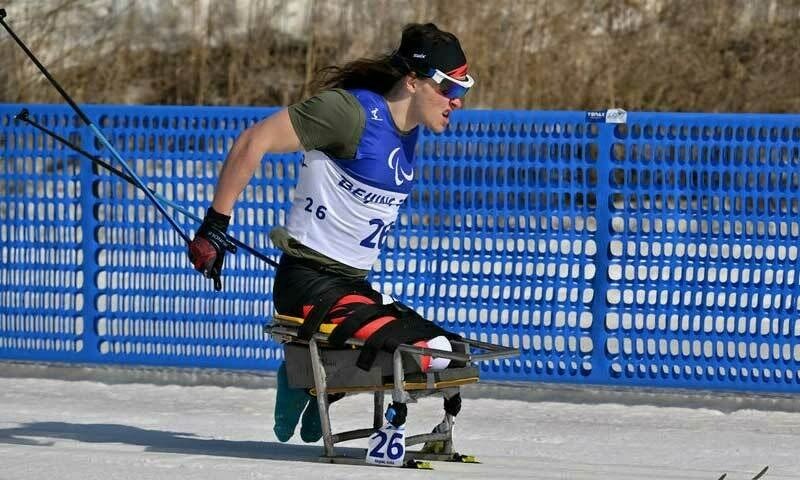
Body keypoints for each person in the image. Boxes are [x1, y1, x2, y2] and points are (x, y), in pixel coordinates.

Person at [187, 22, 473, 443]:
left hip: (351, 287)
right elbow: (254, 140)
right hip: (308, 284)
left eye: (463, 90)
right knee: (433, 355)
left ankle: (317, 381)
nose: (457, 102)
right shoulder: (350, 113)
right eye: (449, 89)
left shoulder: (409, 133)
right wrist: (216, 224)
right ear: (413, 82)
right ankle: (303, 377)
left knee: (454, 351)